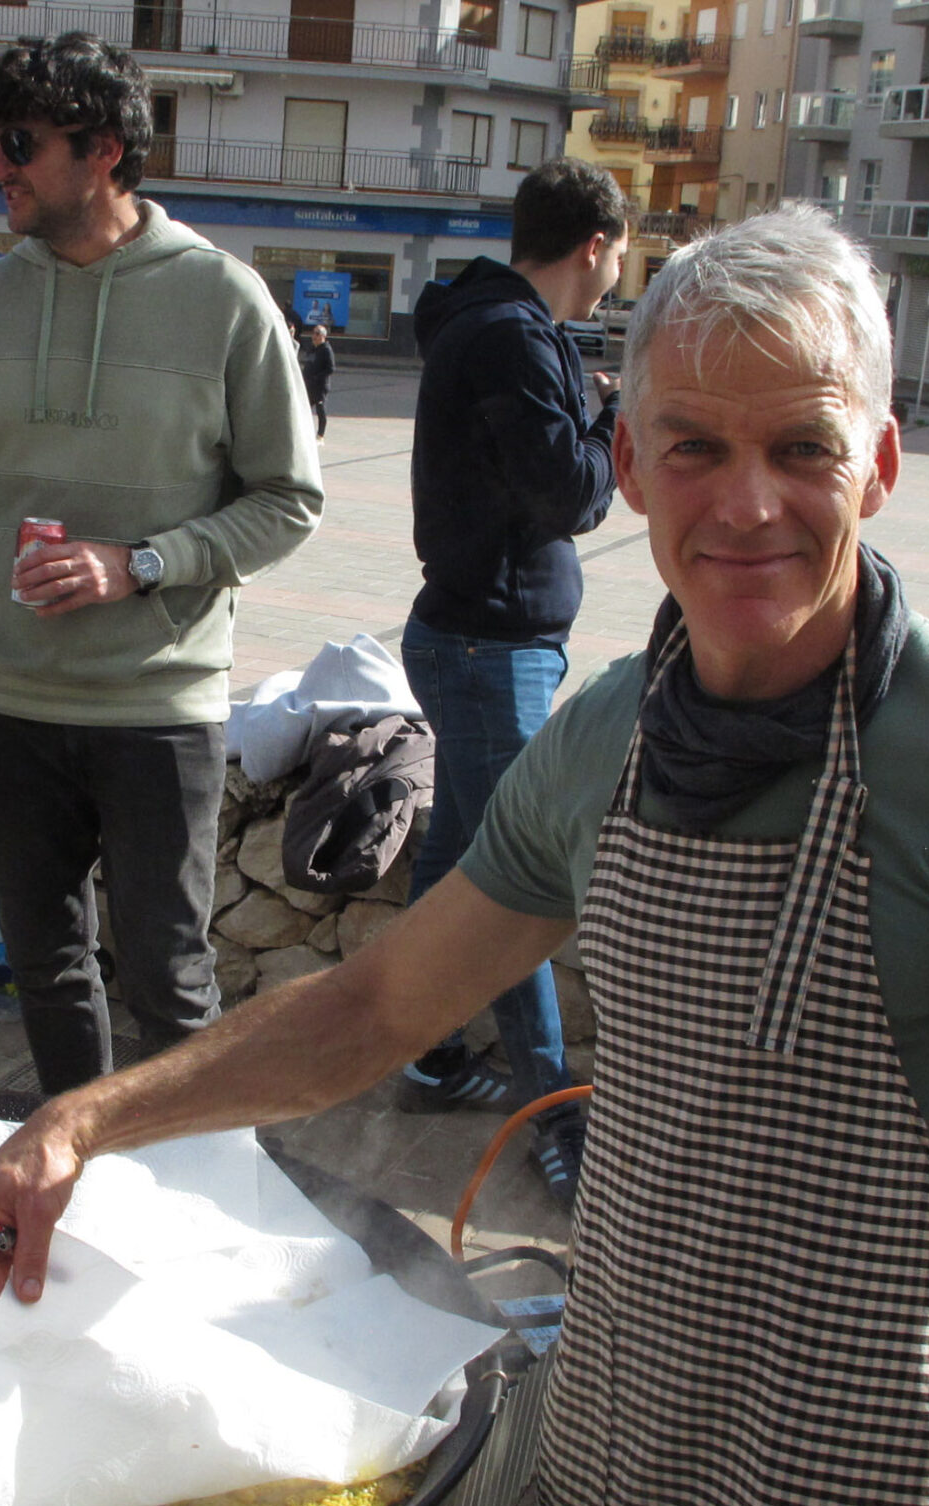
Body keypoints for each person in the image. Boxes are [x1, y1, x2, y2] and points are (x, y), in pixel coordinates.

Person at [0, 206, 929, 1506]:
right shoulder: (608, 736)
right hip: (619, 1406)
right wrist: (85, 1119)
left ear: (879, 464)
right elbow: (372, 1008)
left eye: (804, 448)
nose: (748, 504)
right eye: (694, 446)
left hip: (845, 1466)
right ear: (624, 467)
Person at [0, 33, 323, 1095]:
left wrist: (142, 563)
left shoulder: (226, 301)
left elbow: (291, 501)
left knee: (167, 976)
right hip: (6, 707)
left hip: (157, 708)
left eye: (17, 143)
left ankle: (194, 1196)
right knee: (42, 969)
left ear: (101, 151)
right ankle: (73, 1180)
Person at [395, 158, 627, 1203]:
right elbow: (572, 492)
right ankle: (554, 1117)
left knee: (454, 859)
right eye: (623, 252)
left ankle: (426, 1048)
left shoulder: (496, 327)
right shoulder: (513, 337)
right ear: (596, 245)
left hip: (476, 636)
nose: (621, 269)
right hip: (489, 647)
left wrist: (581, 401)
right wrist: (606, 425)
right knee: (517, 884)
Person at [298, 319, 334, 438]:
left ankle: (320, 435)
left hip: (320, 387)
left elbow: (331, 368)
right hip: (309, 385)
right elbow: (308, 363)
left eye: (317, 333)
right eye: (313, 333)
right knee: (303, 408)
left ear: (323, 336)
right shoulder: (312, 348)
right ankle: (302, 432)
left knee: (320, 410)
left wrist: (317, 377)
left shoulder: (326, 350)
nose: (314, 336)